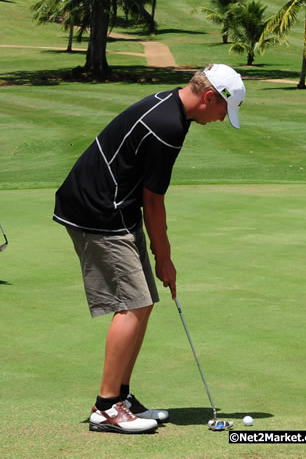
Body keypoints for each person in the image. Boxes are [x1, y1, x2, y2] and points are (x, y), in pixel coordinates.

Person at [53, 64, 246, 434]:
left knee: (142, 300)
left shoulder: (173, 108)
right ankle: (107, 407)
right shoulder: (168, 126)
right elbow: (154, 201)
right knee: (133, 303)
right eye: (224, 109)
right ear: (209, 97)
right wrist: (165, 257)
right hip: (98, 209)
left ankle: (121, 396)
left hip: (113, 206)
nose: (223, 118)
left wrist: (159, 255)